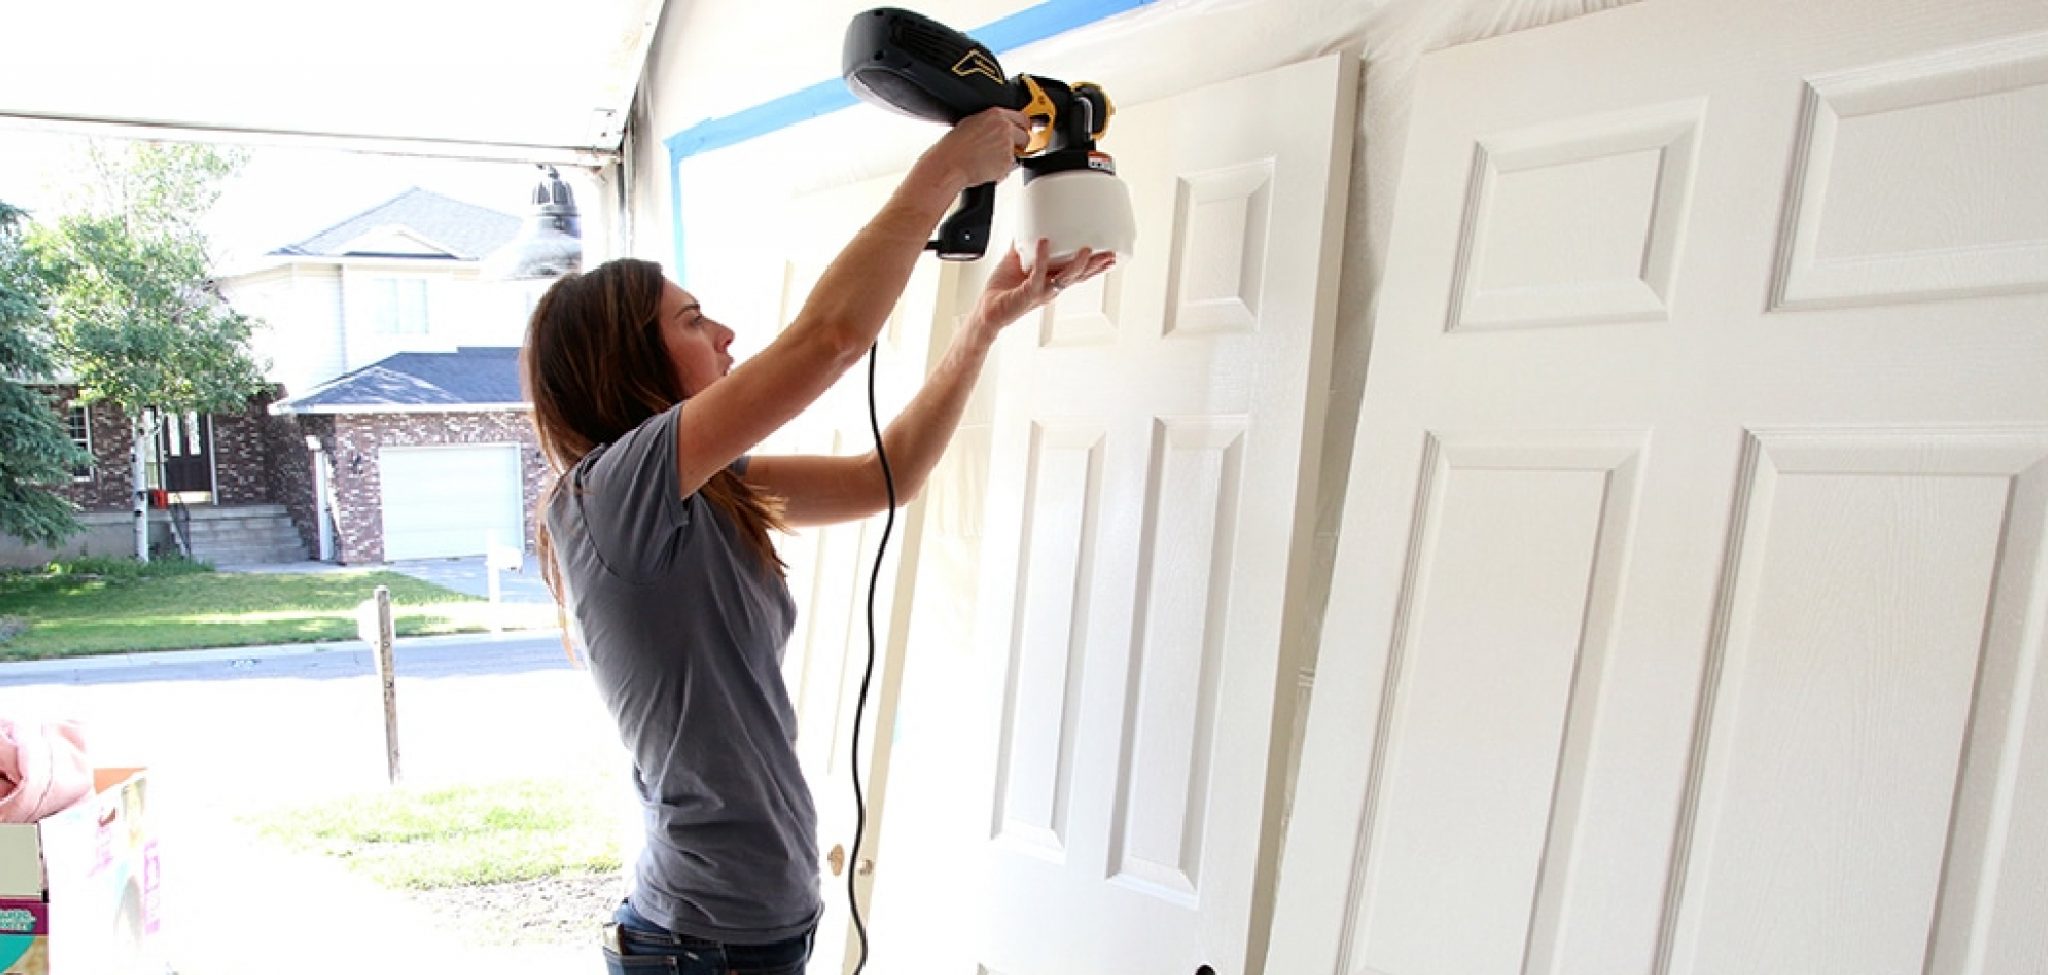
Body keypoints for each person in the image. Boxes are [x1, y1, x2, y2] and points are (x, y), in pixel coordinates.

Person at [520, 107, 1116, 975]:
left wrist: (982, 325)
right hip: (703, 949)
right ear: (625, 359)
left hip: (737, 936)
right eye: (692, 321)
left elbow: (889, 477)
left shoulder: (707, 489)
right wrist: (941, 172)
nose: (724, 334)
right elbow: (828, 341)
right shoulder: (612, 493)